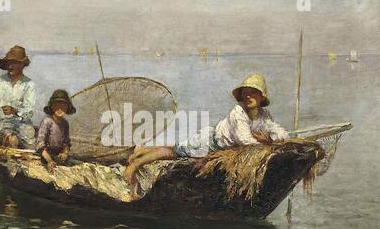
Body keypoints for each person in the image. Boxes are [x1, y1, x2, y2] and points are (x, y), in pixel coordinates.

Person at [123, 73, 289, 187]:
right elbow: (245, 140)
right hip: (208, 144)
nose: (248, 96)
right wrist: (266, 142)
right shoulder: (238, 113)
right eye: (245, 93)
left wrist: (272, 139)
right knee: (174, 152)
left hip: (215, 141)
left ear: (262, 96)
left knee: (177, 147)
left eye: (253, 93)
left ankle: (142, 149)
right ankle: (136, 163)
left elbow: (281, 133)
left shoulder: (264, 115)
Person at [35, 89, 76, 173]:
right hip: (45, 156)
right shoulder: (47, 121)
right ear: (52, 107)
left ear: (67, 108)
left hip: (58, 156)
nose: (60, 109)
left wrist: (65, 153)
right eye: (56, 105)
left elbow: (66, 142)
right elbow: (40, 145)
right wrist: (49, 161)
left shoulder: (65, 123)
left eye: (63, 106)